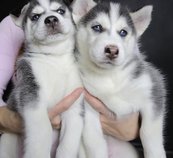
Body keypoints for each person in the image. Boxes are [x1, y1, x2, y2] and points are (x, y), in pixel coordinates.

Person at [0, 1, 139, 148]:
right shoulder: (16, 22)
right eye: (36, 16)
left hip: (94, 143)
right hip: (29, 142)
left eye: (60, 12)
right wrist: (28, 121)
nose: (51, 19)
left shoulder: (109, 19)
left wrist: (130, 126)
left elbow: (132, 122)